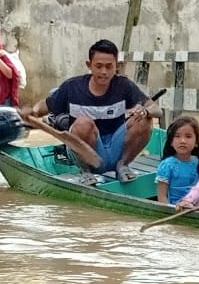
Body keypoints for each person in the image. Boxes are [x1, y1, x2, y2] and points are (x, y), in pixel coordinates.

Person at [45, 39, 157, 184]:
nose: (104, 72)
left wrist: (145, 112)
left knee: (144, 120)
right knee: (83, 123)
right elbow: (43, 108)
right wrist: (28, 115)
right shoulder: (72, 87)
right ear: (89, 65)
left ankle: (122, 166)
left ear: (117, 66)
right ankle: (85, 172)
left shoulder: (124, 86)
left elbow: (155, 108)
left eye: (109, 66)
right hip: (86, 153)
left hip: (116, 149)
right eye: (99, 66)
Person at [156, 116, 199, 204]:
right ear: (171, 142)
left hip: (197, 208)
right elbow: (162, 196)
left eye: (188, 136)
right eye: (177, 136)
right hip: (175, 210)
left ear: (196, 142)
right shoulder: (167, 165)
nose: (182, 141)